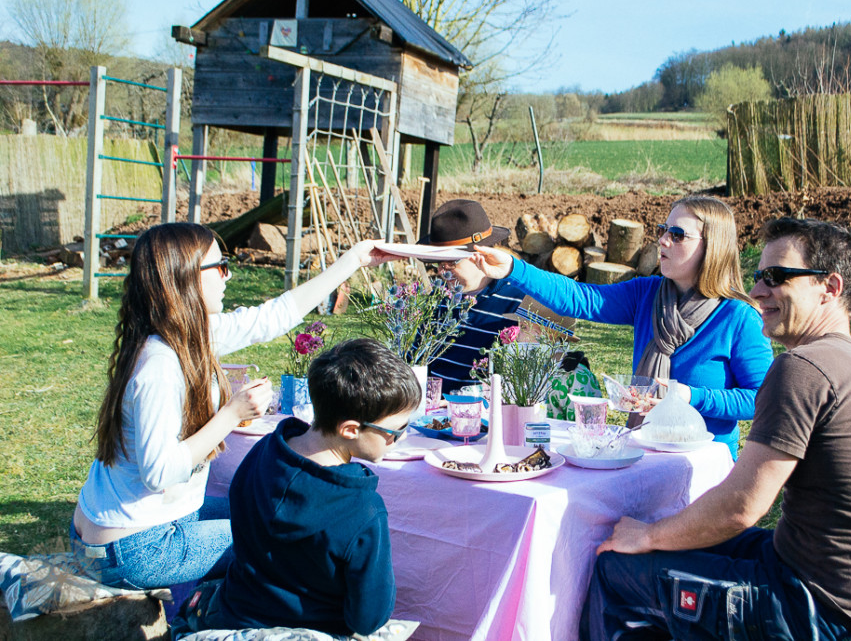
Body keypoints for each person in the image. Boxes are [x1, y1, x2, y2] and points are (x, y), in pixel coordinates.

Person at [578, 217, 851, 641]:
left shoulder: (804, 369)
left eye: (777, 277)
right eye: (758, 276)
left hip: (816, 612)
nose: (756, 292)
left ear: (831, 287)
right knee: (676, 545)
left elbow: (741, 508)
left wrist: (649, 535)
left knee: (616, 568)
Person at [69, 223, 397, 590]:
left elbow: (275, 316)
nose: (229, 275)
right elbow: (159, 474)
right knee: (279, 536)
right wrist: (232, 413)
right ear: (187, 277)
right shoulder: (160, 365)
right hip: (132, 547)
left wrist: (353, 260)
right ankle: (222, 620)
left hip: (132, 533)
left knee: (270, 515)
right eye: (221, 266)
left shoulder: (185, 336)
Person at [468, 195, 773, 458]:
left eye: (678, 234)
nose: (663, 240)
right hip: (641, 451)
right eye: (663, 230)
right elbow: (579, 298)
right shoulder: (647, 294)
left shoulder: (739, 317)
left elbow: (762, 400)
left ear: (713, 246)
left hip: (704, 467)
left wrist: (689, 396)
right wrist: (512, 267)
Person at [171, 338, 418, 637]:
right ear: (350, 429)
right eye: (396, 431)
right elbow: (367, 619)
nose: (400, 439)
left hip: (229, 617)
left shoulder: (265, 450)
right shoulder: (363, 510)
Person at [419, 199, 526, 394]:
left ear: (481, 255)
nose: (444, 273)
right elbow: (416, 359)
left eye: (451, 263)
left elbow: (519, 380)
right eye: (439, 264)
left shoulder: (518, 302)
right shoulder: (440, 298)